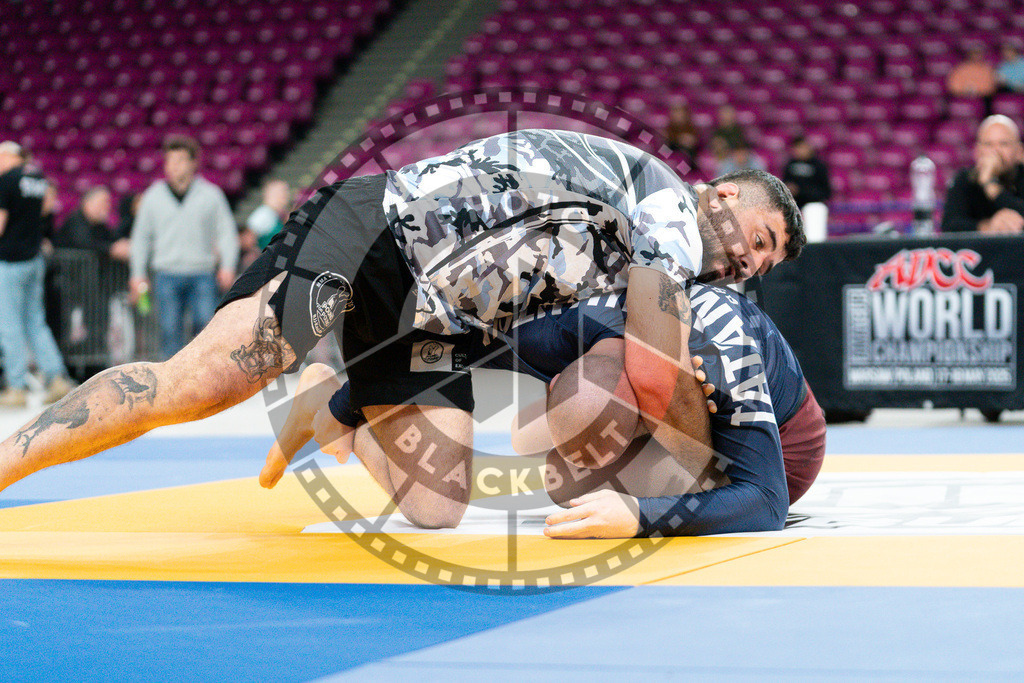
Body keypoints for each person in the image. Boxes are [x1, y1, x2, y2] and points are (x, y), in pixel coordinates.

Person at [0, 130, 804, 508]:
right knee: (203, 382)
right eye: (757, 241)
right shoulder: (669, 206)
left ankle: (330, 394)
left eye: (763, 266)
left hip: (437, 317)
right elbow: (654, 373)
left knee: (437, 504)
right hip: (374, 236)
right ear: (723, 195)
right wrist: (700, 488)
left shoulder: (641, 251)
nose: (747, 264)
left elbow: (526, 328)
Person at [276, 279, 825, 536]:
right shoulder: (571, 321)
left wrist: (638, 519)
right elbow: (440, 343)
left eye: (766, 255)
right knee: (437, 511)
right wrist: (346, 404)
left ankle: (589, 437)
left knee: (568, 479)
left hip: (784, 448)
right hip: (608, 376)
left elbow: (765, 504)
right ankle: (325, 400)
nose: (751, 263)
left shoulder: (720, 348)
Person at [129, 135, 239, 359]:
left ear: (193, 163)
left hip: (202, 274)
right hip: (166, 274)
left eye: (180, 159)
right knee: (169, 332)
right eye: (170, 160)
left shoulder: (211, 195)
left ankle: (208, 382)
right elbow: (140, 238)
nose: (174, 165)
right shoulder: (152, 197)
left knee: (206, 329)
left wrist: (228, 265)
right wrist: (137, 274)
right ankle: (173, 388)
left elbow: (227, 233)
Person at [0, 141, 75, 408]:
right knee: (35, 322)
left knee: (9, 325)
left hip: (9, 260)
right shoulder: (38, 179)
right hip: (33, 259)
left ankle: (17, 386)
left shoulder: (6, 181)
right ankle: (56, 379)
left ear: (9, 156)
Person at [941, 115, 1024, 234]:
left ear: (1019, 151)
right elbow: (949, 226)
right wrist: (988, 226)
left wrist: (990, 185)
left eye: (1004, 144)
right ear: (977, 152)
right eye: (988, 144)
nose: (996, 151)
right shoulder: (964, 179)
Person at [55, 186, 131, 261]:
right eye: (103, 202)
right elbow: (85, 244)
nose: (107, 207)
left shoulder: (99, 224)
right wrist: (111, 249)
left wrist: (122, 244)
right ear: (88, 203)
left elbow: (111, 238)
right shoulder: (75, 220)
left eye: (108, 203)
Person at [782, 136, 831, 208]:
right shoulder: (790, 164)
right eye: (797, 148)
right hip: (794, 203)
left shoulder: (818, 165)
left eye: (801, 148)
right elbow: (786, 183)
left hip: (814, 204)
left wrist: (801, 191)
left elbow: (825, 192)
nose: (799, 151)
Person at [947, 48, 998, 115]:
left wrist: (976, 90)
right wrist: (965, 90)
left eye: (978, 54)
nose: (976, 56)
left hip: (982, 99)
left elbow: (990, 88)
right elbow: (953, 86)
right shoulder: (961, 68)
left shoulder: (987, 69)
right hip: (961, 98)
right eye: (974, 54)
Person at [246, 179, 292, 251]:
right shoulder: (262, 214)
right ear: (270, 194)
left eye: (286, 191)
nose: (286, 195)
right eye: (281, 192)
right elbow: (248, 241)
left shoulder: (279, 214)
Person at [664, 102, 701, 170]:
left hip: (690, 157)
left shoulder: (691, 128)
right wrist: (679, 140)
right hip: (673, 155)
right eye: (676, 113)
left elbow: (697, 143)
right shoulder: (668, 129)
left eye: (680, 113)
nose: (678, 115)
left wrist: (690, 140)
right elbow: (666, 146)